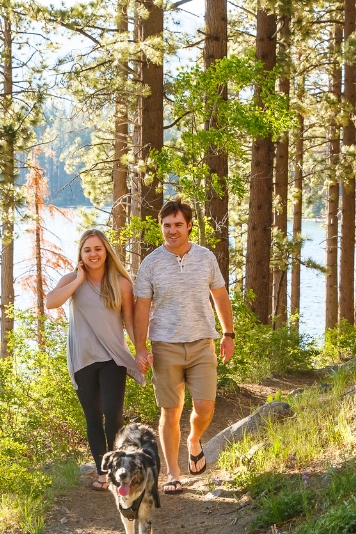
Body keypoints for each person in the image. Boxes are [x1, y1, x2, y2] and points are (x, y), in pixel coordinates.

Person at [133, 200, 235, 494]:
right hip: (165, 345)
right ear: (160, 227)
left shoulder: (205, 258)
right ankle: (174, 474)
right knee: (170, 411)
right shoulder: (151, 263)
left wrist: (228, 334)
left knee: (204, 408)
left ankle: (194, 440)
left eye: (178, 224)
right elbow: (141, 308)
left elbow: (220, 296)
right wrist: (140, 347)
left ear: (189, 225)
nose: (172, 230)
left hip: (203, 342)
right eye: (167, 225)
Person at [46, 229, 143, 491]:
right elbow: (50, 303)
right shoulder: (71, 279)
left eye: (98, 249)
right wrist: (78, 280)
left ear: (106, 251)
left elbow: (131, 323)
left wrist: (141, 350)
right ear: (81, 254)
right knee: (93, 416)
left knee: (113, 414)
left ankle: (117, 471)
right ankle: (103, 474)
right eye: (87, 250)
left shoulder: (121, 283)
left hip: (112, 357)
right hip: (82, 359)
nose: (93, 254)